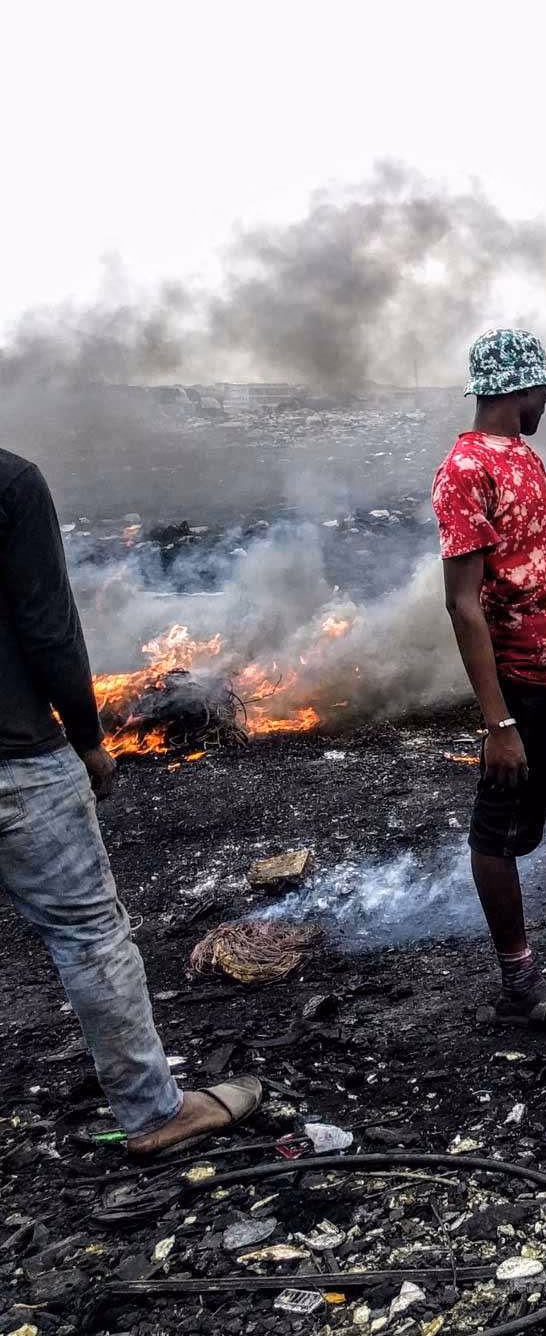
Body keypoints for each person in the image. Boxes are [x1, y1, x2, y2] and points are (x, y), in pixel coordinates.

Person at [0, 447, 262, 1156]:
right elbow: (49, 626)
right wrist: (88, 739)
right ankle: (153, 1113)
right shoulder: (10, 480)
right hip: (16, 758)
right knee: (88, 936)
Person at [432, 328, 546, 1023]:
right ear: (521, 390)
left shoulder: (524, 460)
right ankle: (519, 984)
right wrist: (498, 724)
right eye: (543, 390)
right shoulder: (465, 469)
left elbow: (545, 556)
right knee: (498, 837)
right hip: (521, 690)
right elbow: (460, 602)